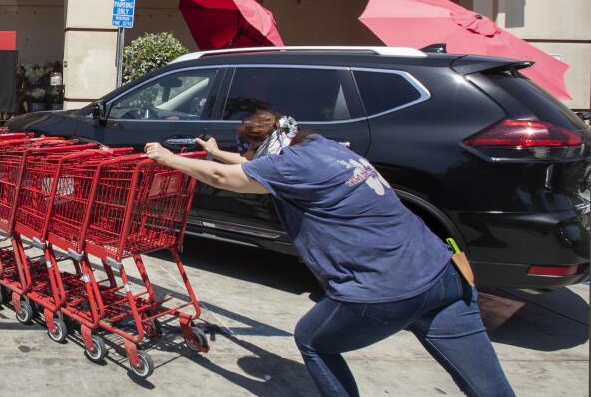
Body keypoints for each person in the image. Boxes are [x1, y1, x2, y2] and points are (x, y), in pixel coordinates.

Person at [144, 111, 514, 397]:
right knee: (488, 388)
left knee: (313, 340)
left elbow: (228, 179)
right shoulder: (323, 147)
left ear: (265, 149)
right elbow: (258, 167)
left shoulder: (288, 165)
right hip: (441, 273)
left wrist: (167, 158)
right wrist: (215, 152)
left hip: (383, 288)